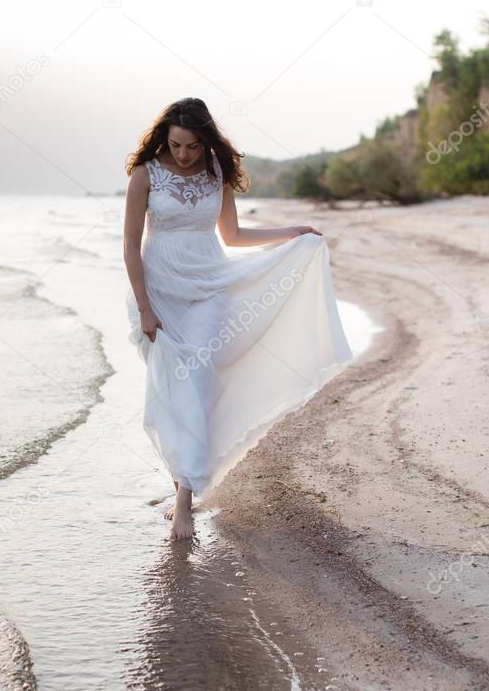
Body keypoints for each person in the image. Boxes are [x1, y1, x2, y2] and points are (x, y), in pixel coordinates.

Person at [123, 97, 353, 540]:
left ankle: (184, 501)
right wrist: (145, 306)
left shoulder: (216, 174)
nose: (183, 154)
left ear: (205, 140)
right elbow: (131, 245)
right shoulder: (145, 174)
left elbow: (232, 235)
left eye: (192, 145)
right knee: (173, 389)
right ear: (163, 138)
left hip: (210, 288)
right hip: (158, 292)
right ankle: (183, 484)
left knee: (197, 378)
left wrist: (292, 233)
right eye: (175, 145)